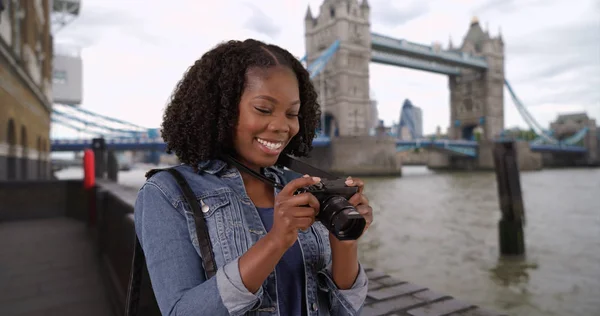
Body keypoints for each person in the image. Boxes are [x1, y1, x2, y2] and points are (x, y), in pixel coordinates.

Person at [134, 39, 374, 316]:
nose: (282, 126)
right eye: (264, 109)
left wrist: (345, 239)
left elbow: (344, 310)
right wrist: (275, 241)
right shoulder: (165, 194)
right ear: (219, 110)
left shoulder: (298, 187)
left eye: (292, 114)